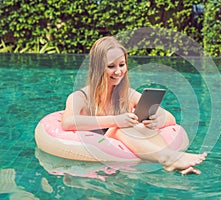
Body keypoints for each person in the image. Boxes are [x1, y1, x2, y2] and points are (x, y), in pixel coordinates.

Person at [62, 36, 207, 175]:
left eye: (122, 64)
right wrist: (116, 120)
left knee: (140, 126)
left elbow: (170, 118)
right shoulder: (80, 97)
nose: (118, 72)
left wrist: (157, 120)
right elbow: (68, 122)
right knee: (120, 129)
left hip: (127, 168)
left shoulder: (127, 95)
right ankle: (169, 159)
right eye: (111, 66)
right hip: (94, 169)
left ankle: (172, 162)